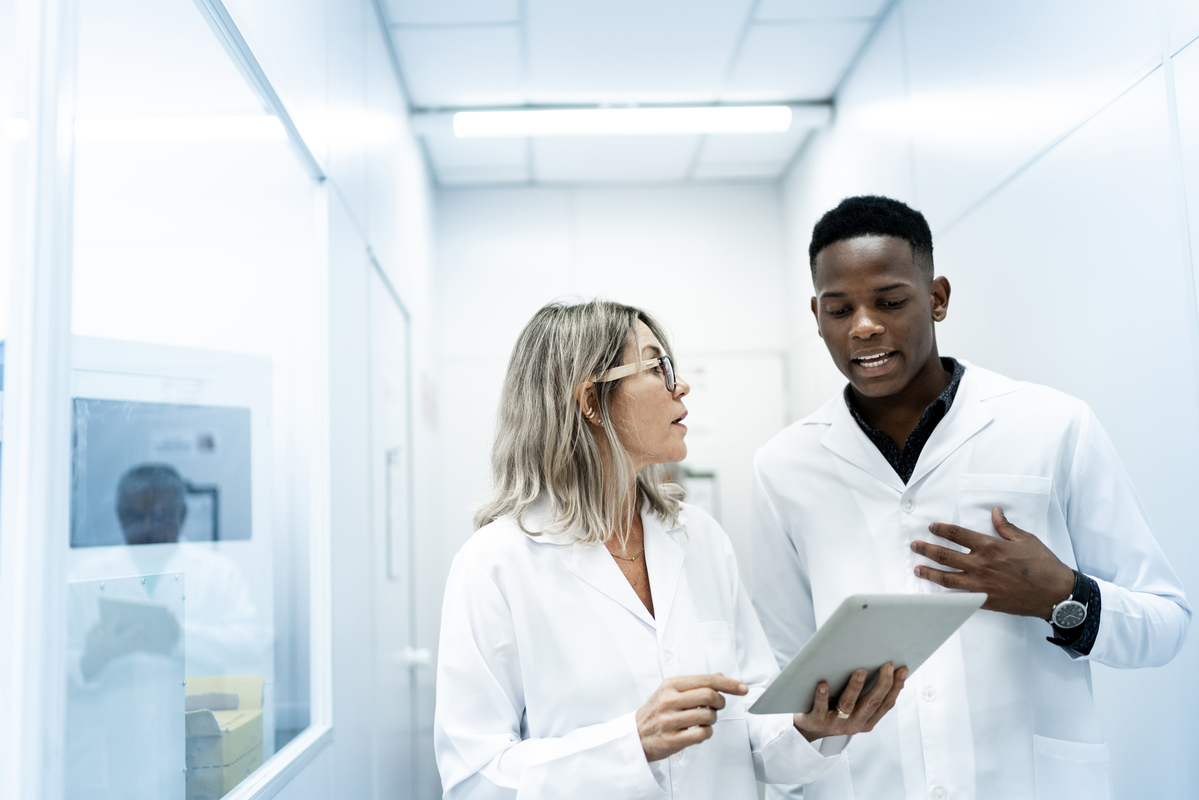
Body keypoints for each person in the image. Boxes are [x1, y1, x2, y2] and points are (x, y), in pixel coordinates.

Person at [750, 196, 1190, 800]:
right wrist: (806, 733)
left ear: (937, 298)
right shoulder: (784, 467)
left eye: (890, 301)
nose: (864, 326)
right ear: (817, 316)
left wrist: (1063, 595)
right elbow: (783, 676)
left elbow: (1167, 624)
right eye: (839, 308)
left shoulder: (1054, 424)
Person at [434, 300, 909, 800]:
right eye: (657, 366)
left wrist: (812, 726)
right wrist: (631, 743)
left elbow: (750, 727)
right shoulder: (495, 564)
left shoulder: (698, 538)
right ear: (591, 401)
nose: (679, 385)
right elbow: (475, 779)